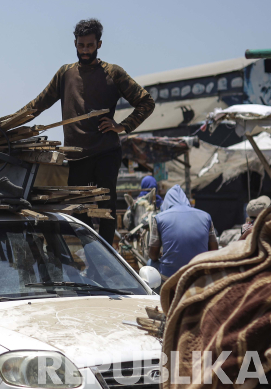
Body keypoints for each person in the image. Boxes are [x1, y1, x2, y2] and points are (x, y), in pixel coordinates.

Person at [17, 18, 155, 243]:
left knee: (106, 209)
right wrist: (13, 121)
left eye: (90, 46)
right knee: (79, 211)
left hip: (106, 152)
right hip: (76, 156)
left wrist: (122, 126)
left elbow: (146, 102)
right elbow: (39, 103)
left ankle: (107, 255)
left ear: (99, 44)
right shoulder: (65, 73)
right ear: (75, 43)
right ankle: (93, 255)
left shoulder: (113, 72)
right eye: (81, 45)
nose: (85, 50)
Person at [148, 185, 218, 278]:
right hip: (200, 272)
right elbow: (214, 250)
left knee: (150, 263)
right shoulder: (206, 216)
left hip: (170, 274)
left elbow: (153, 255)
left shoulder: (159, 218)